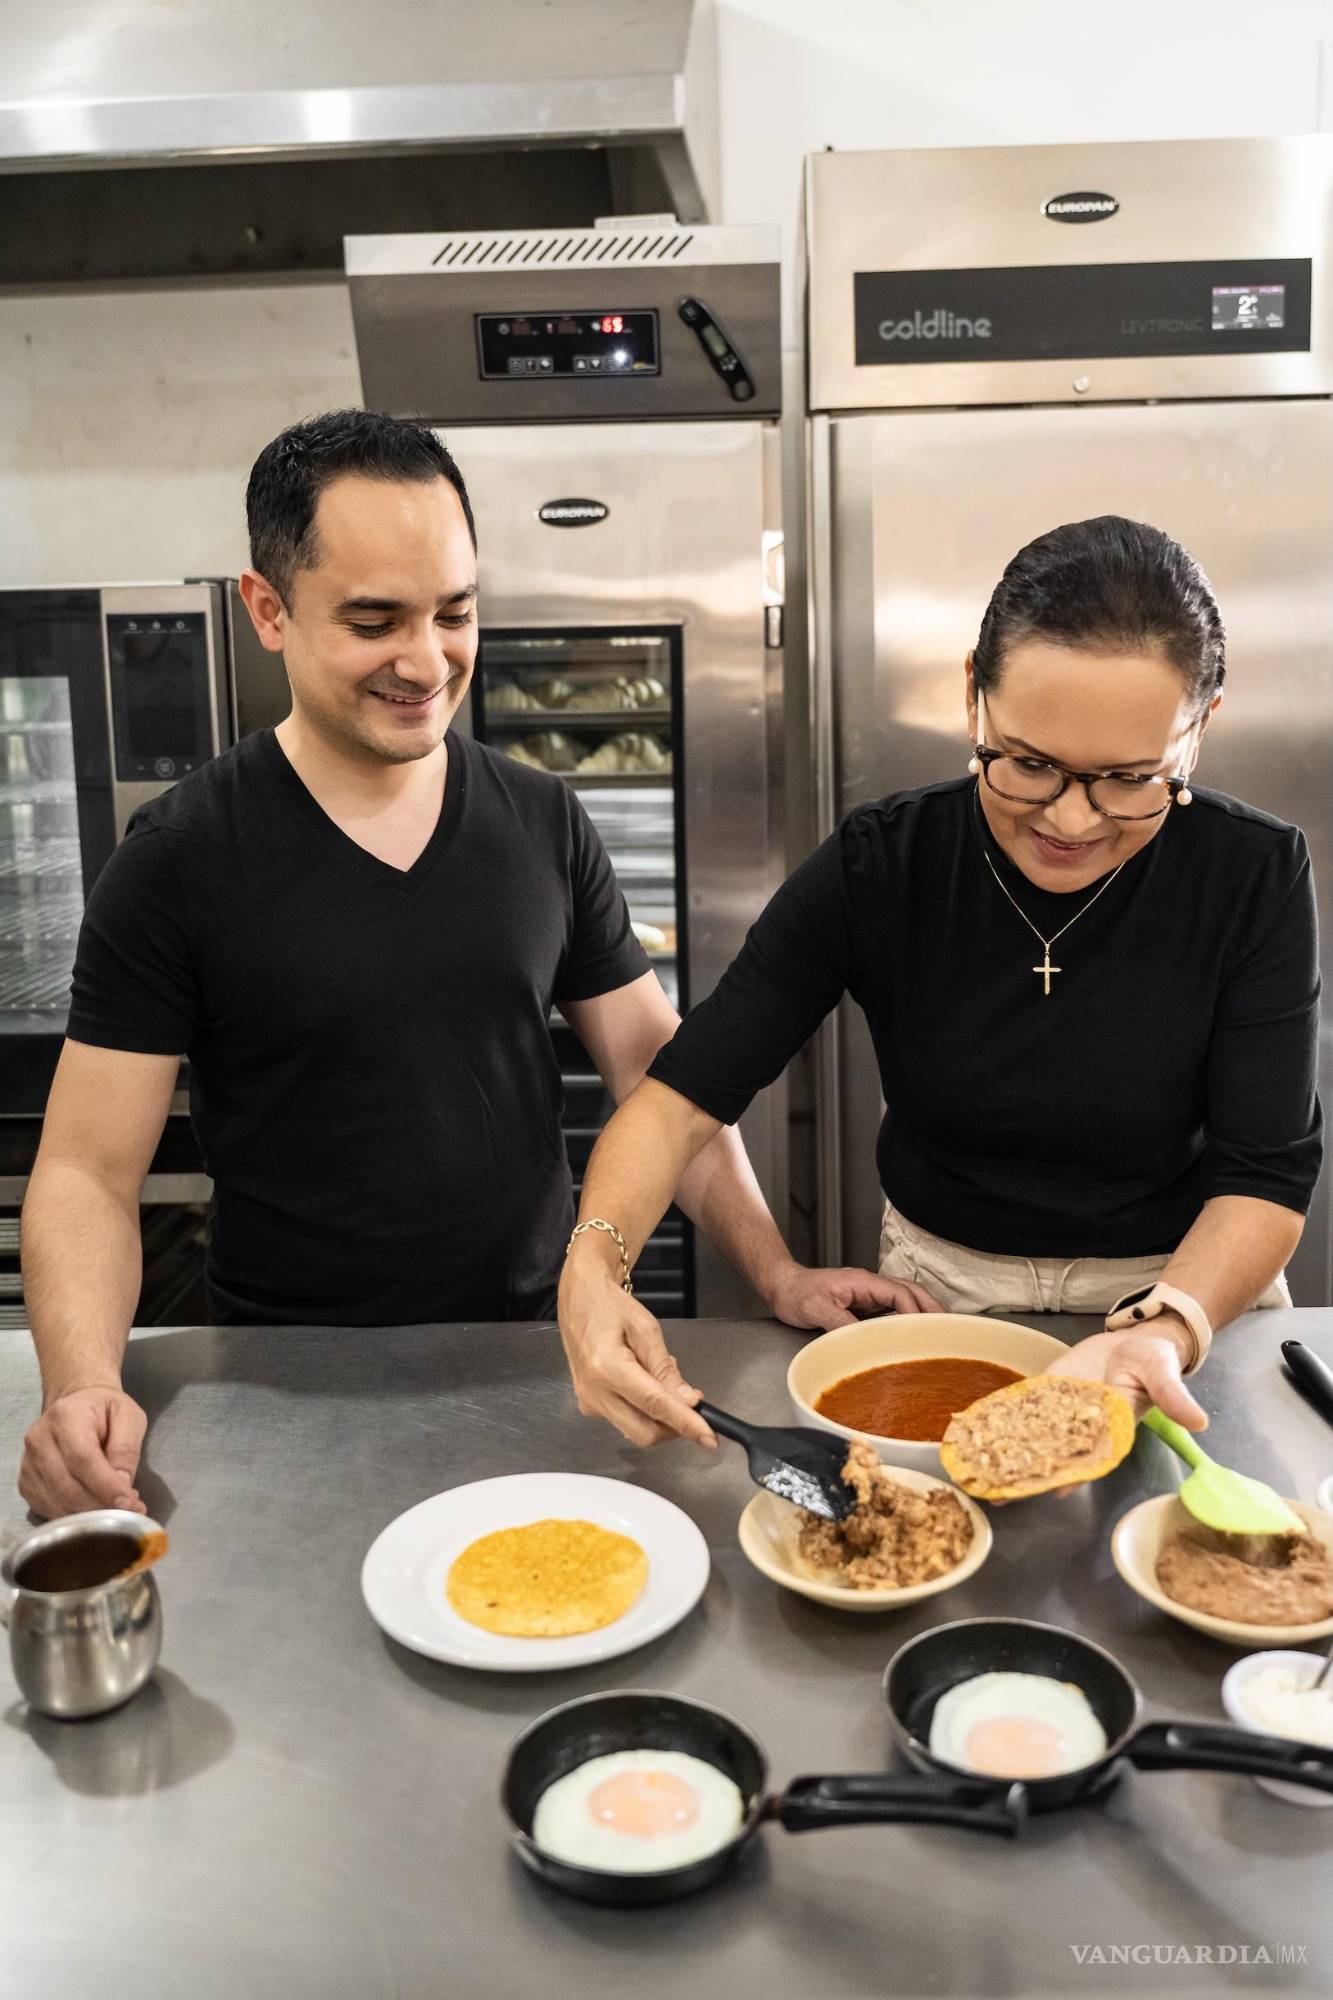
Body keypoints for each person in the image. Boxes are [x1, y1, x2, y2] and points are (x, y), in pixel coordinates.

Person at [17, 410, 940, 1521]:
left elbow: (663, 1077)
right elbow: (85, 1173)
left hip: (541, 1350)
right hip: (293, 1374)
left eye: (453, 612)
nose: (426, 659)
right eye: (374, 620)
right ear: (268, 608)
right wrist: (81, 1380)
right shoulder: (179, 858)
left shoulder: (540, 818)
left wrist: (774, 1270)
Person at [559, 516, 1322, 1446]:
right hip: (949, 1286)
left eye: (1128, 779)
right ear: (974, 697)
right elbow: (681, 1098)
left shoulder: (1251, 875)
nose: (1072, 821)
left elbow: (1263, 1174)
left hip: (1190, 1283)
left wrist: (1167, 1325)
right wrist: (595, 1269)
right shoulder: (884, 865)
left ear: (1195, 734)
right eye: (1029, 763)